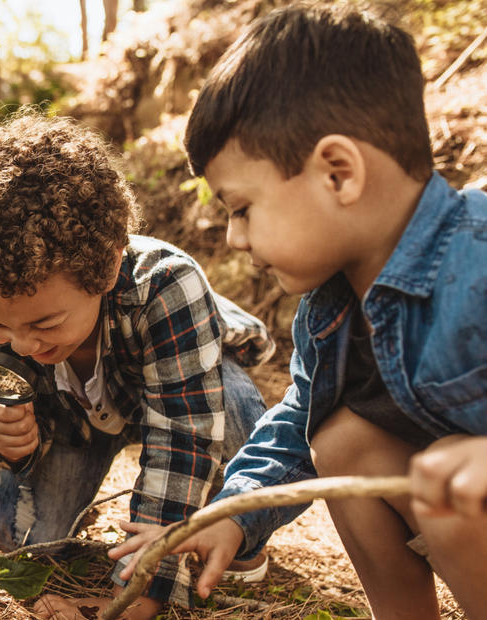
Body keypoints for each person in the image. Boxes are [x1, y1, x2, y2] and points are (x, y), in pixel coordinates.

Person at [110, 5, 487, 620]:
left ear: (338, 174)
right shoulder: (328, 312)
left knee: (448, 473)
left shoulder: (477, 259)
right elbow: (293, 428)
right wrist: (228, 518)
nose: (233, 238)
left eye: (242, 208)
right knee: (340, 441)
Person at [0, 110, 277, 620]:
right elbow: (4, 420)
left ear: (108, 266)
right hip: (77, 424)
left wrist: (135, 597)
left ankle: (237, 539)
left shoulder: (167, 286)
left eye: (45, 323)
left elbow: (183, 436)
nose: (21, 345)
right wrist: (6, 442)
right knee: (15, 540)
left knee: (238, 413)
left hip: (176, 392)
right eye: (1, 324)